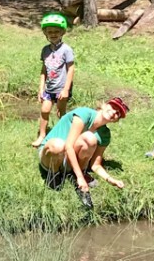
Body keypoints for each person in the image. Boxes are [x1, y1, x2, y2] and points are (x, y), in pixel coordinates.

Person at [37, 97, 128, 208]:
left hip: (69, 160)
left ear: (116, 120)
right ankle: (54, 175)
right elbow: (69, 146)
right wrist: (80, 177)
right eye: (113, 107)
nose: (114, 112)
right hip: (51, 156)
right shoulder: (84, 114)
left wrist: (110, 179)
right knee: (59, 146)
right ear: (104, 105)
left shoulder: (105, 134)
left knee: (89, 139)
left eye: (118, 113)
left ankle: (74, 176)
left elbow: (95, 165)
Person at [32, 12, 76, 148]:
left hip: (61, 88)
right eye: (50, 31)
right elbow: (43, 70)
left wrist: (66, 89)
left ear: (62, 32)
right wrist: (40, 89)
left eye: (56, 31)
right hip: (49, 89)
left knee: (61, 112)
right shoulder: (45, 50)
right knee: (45, 111)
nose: (53, 34)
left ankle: (65, 134)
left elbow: (71, 70)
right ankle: (42, 136)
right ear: (45, 33)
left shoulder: (66, 50)